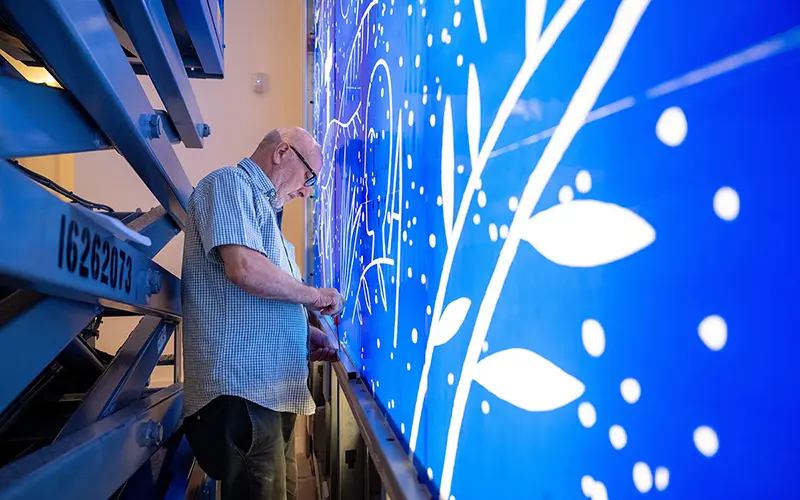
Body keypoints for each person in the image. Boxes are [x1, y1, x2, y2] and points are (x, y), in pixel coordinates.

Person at [180, 127, 344, 500]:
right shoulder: (229, 184)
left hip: (270, 398)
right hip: (244, 394)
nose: (307, 191)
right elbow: (245, 270)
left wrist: (304, 336)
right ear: (282, 151)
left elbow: (259, 304)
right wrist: (315, 297)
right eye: (309, 177)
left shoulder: (271, 229)